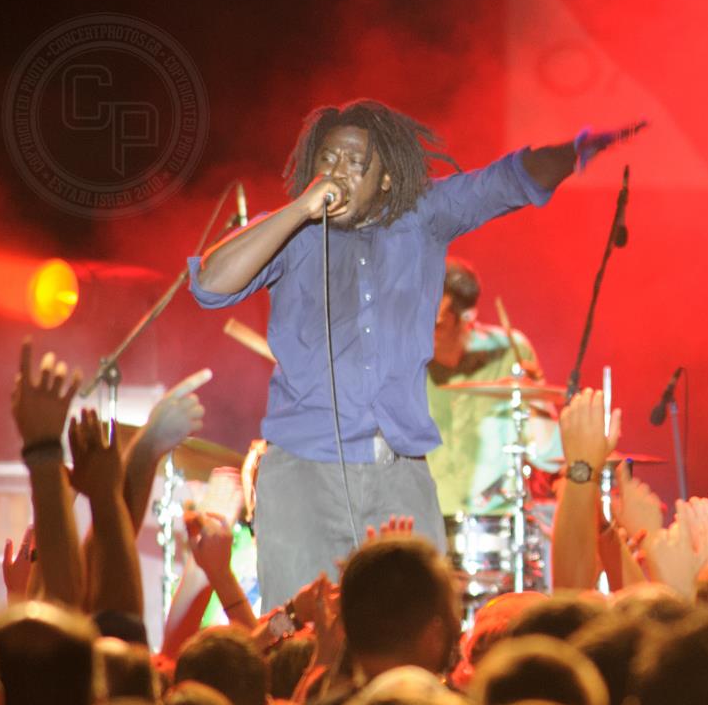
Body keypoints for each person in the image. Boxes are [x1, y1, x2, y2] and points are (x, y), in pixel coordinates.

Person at [189, 98, 639, 604]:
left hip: (399, 475)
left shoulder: (424, 218)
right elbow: (209, 284)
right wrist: (297, 211)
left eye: (355, 162)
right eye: (327, 159)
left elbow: (506, 182)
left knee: (415, 625)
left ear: (385, 178)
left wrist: (574, 151)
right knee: (300, 630)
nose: (337, 172)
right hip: (302, 475)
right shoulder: (289, 232)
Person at [426, 257, 561, 520]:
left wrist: (537, 398)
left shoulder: (509, 353)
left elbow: (549, 457)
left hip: (496, 523)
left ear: (467, 318)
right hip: (426, 522)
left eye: (436, 324)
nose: (422, 331)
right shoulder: (405, 363)